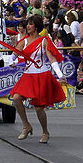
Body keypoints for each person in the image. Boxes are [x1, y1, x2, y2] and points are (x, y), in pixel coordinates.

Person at [10, 14, 67, 144]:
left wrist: (59, 74)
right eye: (27, 24)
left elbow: (51, 58)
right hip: (28, 75)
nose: (27, 27)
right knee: (16, 98)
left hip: (41, 75)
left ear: (36, 26)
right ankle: (26, 125)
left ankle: (45, 131)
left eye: (30, 24)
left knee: (39, 108)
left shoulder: (44, 40)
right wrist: (10, 62)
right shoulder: (23, 41)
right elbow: (13, 55)